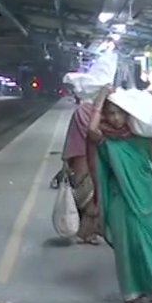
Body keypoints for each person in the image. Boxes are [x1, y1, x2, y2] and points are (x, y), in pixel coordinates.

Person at [88, 87, 152, 303]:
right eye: (110, 114)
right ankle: (131, 300)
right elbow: (91, 130)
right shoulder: (106, 138)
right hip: (120, 200)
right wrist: (100, 100)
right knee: (126, 249)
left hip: (147, 199)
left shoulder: (142, 137)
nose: (115, 118)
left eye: (120, 113)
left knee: (150, 244)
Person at [59, 101, 101, 243]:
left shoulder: (82, 112)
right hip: (84, 161)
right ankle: (85, 232)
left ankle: (87, 231)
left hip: (82, 160)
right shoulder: (85, 111)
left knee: (88, 197)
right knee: (89, 198)